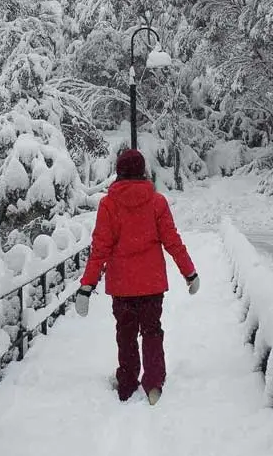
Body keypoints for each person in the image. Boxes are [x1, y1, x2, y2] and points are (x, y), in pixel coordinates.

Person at [75, 149, 199, 405]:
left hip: (122, 285)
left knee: (126, 333)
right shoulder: (157, 202)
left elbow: (100, 248)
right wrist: (189, 272)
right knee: (152, 331)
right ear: (143, 171)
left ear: (118, 172)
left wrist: (87, 285)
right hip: (152, 283)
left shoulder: (108, 205)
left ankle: (128, 381)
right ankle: (153, 383)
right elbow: (172, 241)